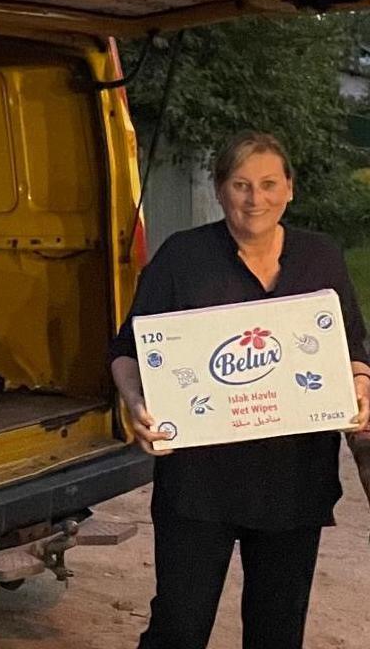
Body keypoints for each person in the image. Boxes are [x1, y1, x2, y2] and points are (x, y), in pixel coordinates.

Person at [110, 131, 370, 649]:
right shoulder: (183, 257)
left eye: (269, 184)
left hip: (292, 484)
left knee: (277, 631)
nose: (256, 199)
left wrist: (359, 386)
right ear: (220, 189)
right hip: (199, 484)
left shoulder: (320, 258)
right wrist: (136, 402)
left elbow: (351, 346)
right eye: (241, 184)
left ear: (290, 189)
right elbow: (128, 349)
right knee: (178, 630)